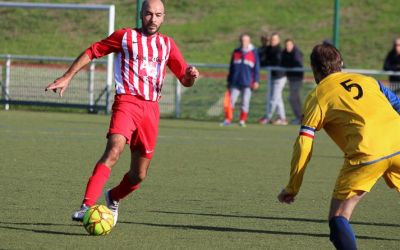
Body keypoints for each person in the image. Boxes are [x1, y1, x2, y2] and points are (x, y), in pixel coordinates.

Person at [45, 0, 199, 226]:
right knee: (114, 150)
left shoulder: (167, 45)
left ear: (163, 17)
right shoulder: (124, 37)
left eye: (158, 15)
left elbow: (184, 79)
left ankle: (113, 197)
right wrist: (68, 76)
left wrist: (191, 76)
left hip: (151, 110)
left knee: (139, 175)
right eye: (148, 14)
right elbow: (92, 51)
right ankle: (86, 206)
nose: (153, 19)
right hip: (127, 102)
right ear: (141, 14)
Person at [277, 44, 400, 250]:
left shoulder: (317, 96)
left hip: (367, 152)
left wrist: (293, 186)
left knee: (339, 216)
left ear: (314, 69)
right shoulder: (368, 81)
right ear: (340, 64)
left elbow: (304, 143)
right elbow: (397, 104)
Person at [222, 34, 260, 127]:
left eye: (246, 40)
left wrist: (256, 80)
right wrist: (229, 81)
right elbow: (231, 67)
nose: (244, 42)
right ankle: (228, 119)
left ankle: (242, 120)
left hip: (247, 82)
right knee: (231, 101)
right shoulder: (236, 52)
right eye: (242, 40)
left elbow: (256, 68)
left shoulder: (253, 53)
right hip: (235, 81)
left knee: (245, 102)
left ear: (249, 41)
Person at [258, 32, 287, 125]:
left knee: (273, 98)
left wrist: (267, 62)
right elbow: (263, 60)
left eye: (274, 39)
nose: (272, 41)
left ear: (278, 40)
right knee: (278, 98)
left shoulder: (279, 50)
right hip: (272, 76)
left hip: (280, 77)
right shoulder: (269, 49)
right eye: (271, 39)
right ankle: (282, 118)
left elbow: (276, 62)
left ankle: (267, 117)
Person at [281, 39, 304, 124]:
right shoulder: (284, 52)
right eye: (286, 45)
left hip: (297, 78)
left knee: (293, 98)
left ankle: (300, 118)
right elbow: (282, 62)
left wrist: (288, 64)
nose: (288, 47)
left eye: (289, 45)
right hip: (291, 78)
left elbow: (297, 63)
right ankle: (301, 117)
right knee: (296, 98)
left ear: (293, 45)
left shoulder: (296, 53)